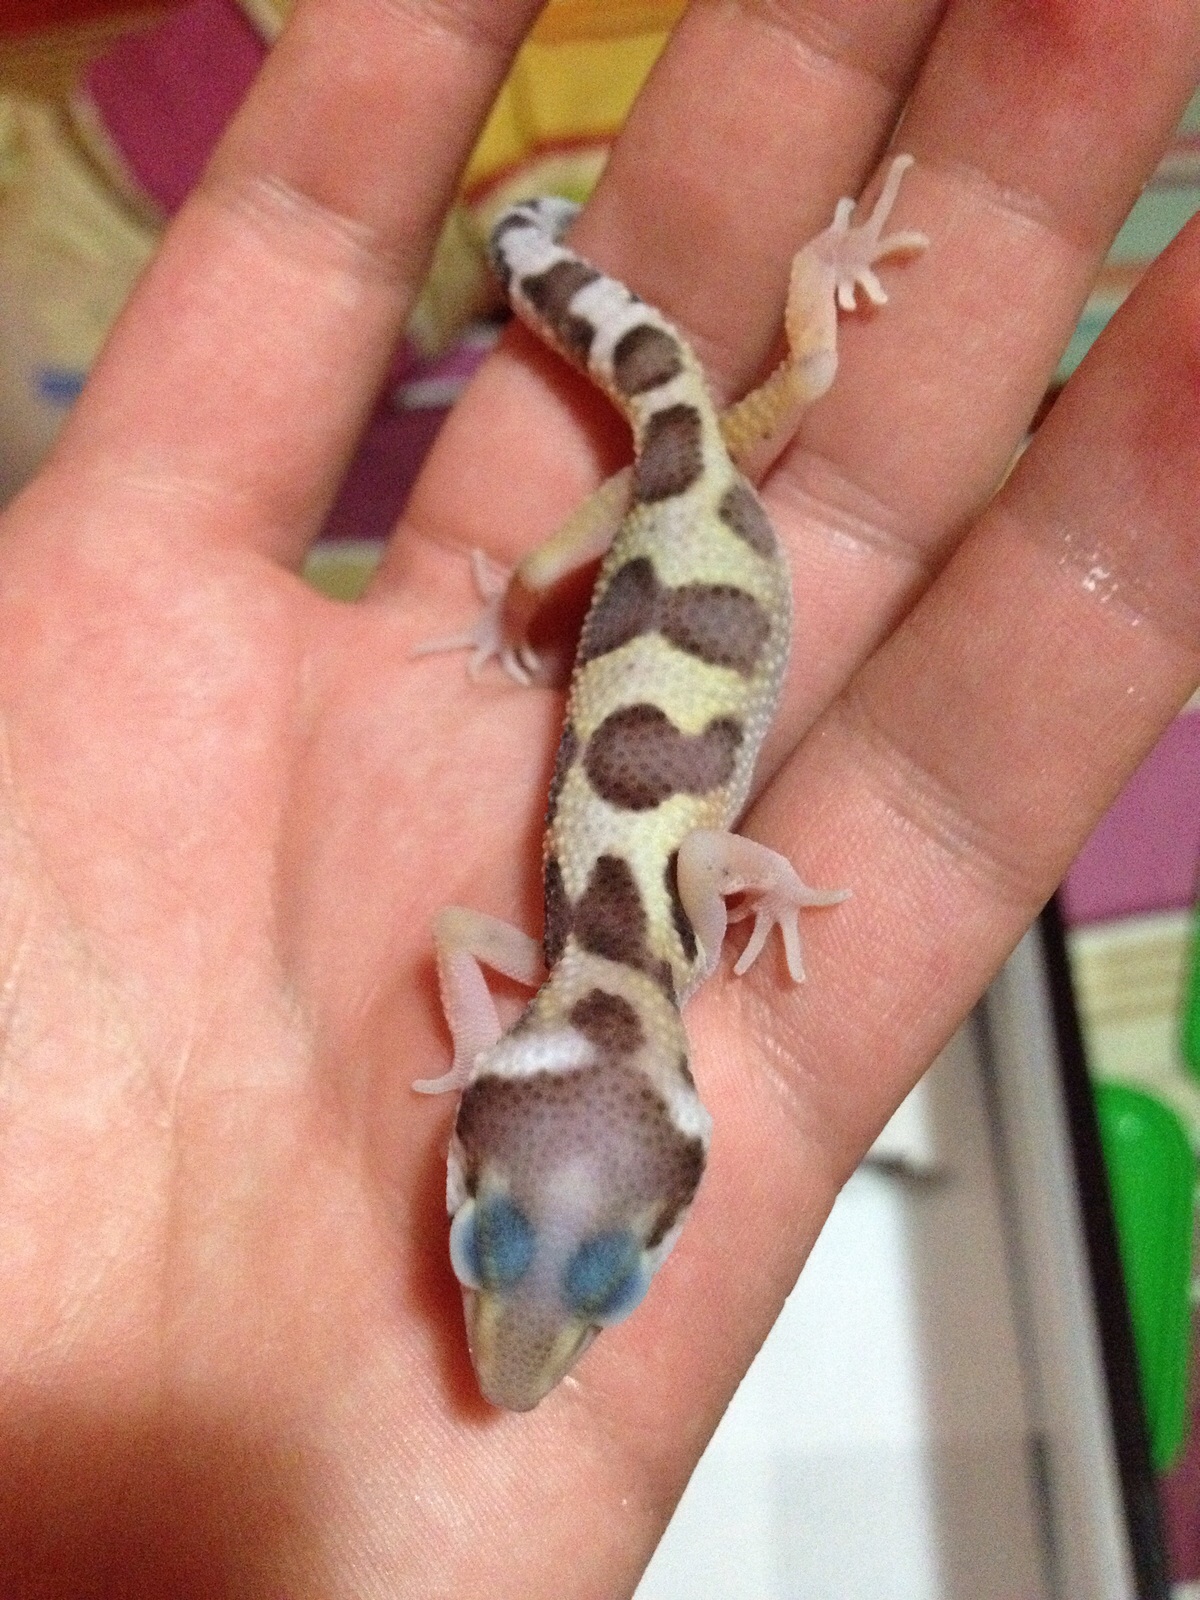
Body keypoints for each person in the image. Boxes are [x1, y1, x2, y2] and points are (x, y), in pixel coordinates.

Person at [1, 0, 1198, 1590]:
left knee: (776, 389)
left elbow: (517, 917)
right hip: (684, 529)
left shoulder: (616, 960)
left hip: (694, 512)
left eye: (490, 1241)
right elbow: (556, 911)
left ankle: (617, 265)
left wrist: (735, 878)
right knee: (710, 420)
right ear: (668, 1171)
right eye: (593, 1280)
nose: (519, 1314)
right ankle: (548, 262)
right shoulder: (590, 955)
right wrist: (662, 914)